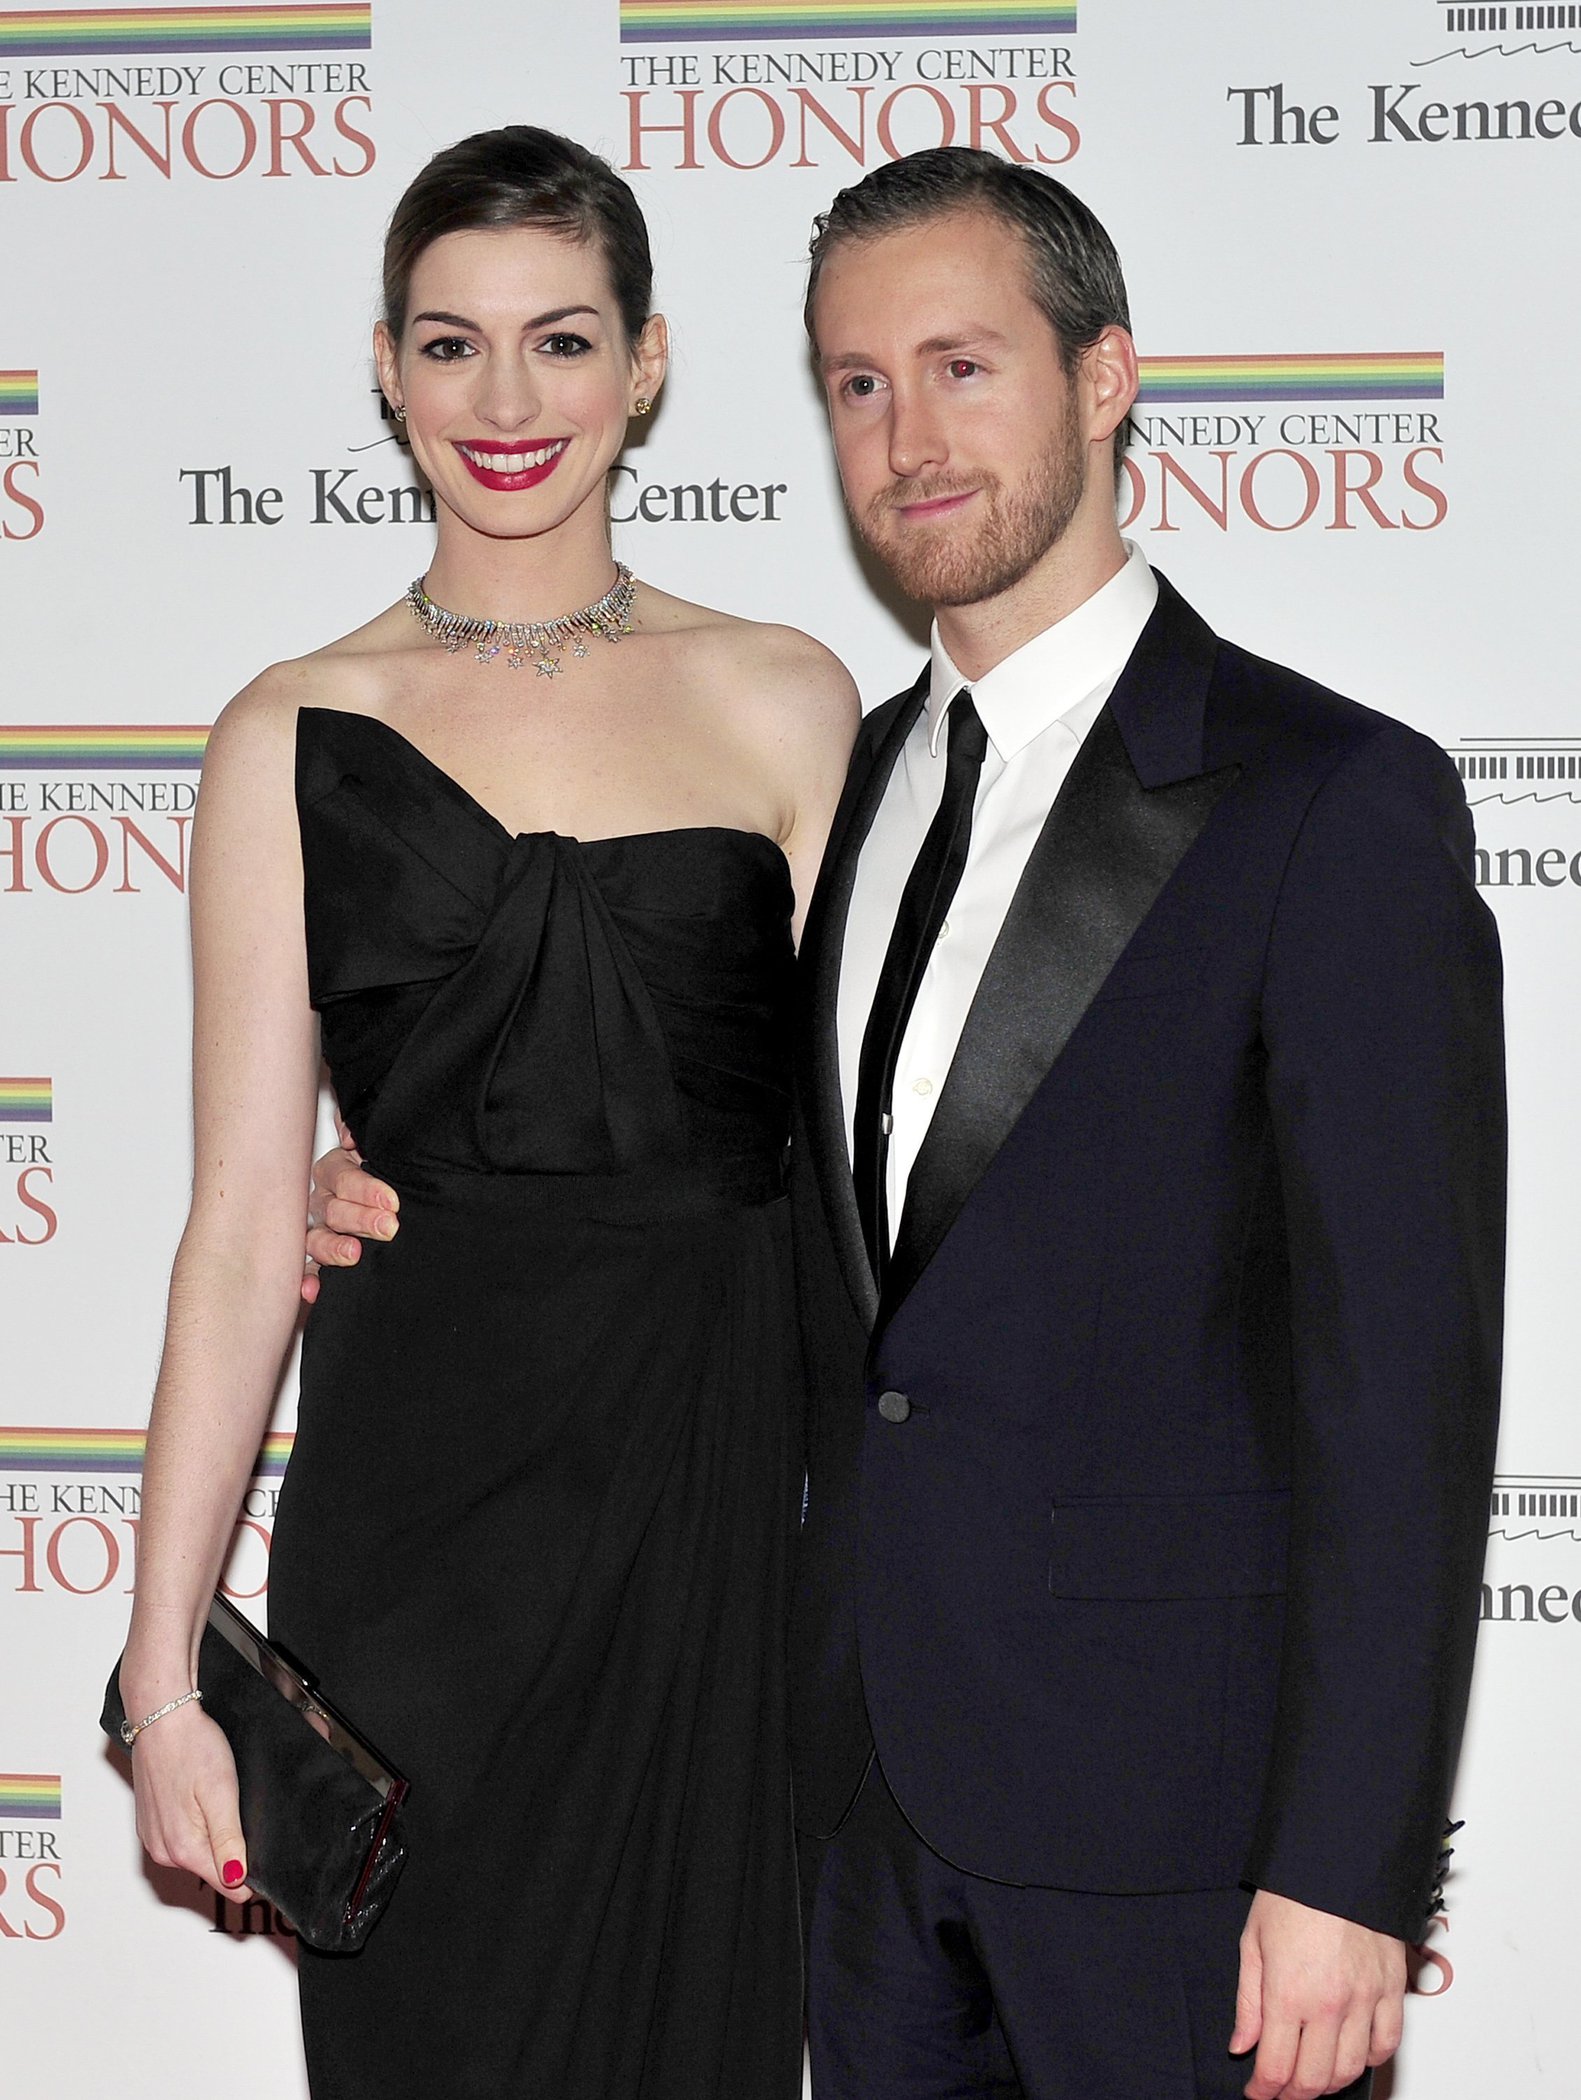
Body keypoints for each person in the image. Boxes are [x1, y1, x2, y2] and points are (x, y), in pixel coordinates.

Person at [311, 149, 1506, 2100]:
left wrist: (1346, 1874)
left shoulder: (1322, 805)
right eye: (854, 383)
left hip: (1180, 1873)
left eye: (960, 366)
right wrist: (400, 1186)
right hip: (850, 1829)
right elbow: (724, 1189)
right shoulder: (834, 792)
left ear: (1103, 376)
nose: (903, 436)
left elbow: (1402, 1388)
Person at [118, 125, 855, 2100]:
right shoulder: (286, 727)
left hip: (706, 1498)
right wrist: (163, 1658)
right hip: (415, 1517)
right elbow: (232, 1223)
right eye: (452, 347)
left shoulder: (787, 697)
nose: (505, 403)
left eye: (558, 342)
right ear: (383, 368)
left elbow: (874, 1150)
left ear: (648, 365)